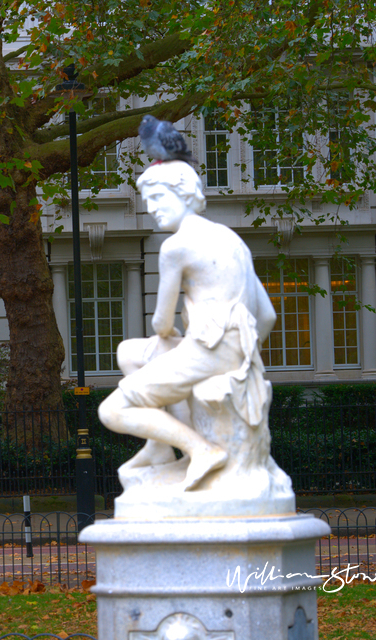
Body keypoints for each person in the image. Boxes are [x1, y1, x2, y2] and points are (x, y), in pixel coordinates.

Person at [98, 161, 276, 491]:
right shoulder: (233, 241)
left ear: (184, 194)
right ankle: (161, 449)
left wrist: (175, 335)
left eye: (156, 197)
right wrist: (242, 360)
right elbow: (267, 316)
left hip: (208, 350)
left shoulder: (175, 247)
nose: (151, 208)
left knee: (111, 410)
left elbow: (161, 323)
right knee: (130, 353)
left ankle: (200, 450)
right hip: (235, 351)